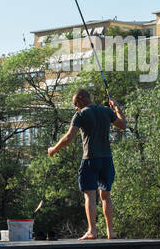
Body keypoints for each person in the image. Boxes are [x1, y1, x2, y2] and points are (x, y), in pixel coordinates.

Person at [47, 88, 125, 240]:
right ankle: (110, 232)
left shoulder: (81, 114)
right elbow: (122, 125)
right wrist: (116, 108)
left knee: (90, 195)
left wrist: (54, 149)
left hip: (90, 159)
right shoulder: (106, 111)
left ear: (82, 99)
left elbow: (69, 137)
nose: (75, 107)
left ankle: (92, 231)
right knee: (106, 196)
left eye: (75, 104)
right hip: (106, 160)